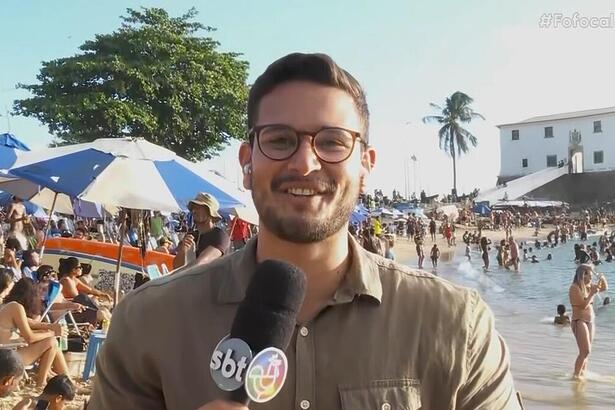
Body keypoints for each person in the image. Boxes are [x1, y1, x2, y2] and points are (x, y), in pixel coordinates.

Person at [90, 52, 520, 409]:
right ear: (246, 161)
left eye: (333, 142)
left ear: (366, 165)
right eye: (279, 140)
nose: (305, 163)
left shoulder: (456, 326)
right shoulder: (149, 323)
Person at [0, 278, 69, 387]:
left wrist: (50, 327)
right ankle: (43, 381)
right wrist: (52, 333)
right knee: (52, 342)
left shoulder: (6, 306)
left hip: (5, 354)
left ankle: (60, 378)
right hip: (8, 359)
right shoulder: (15, 307)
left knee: (49, 338)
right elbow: (30, 338)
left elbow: (30, 323)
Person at [172, 193, 230, 269]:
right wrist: (183, 251)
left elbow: (202, 262)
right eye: (193, 208)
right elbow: (176, 267)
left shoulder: (219, 235)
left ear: (210, 212)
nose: (194, 211)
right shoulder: (192, 235)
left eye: (199, 208)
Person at [569, 264, 607, 378]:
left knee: (586, 353)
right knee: (585, 351)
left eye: (591, 276)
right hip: (579, 320)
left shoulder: (588, 286)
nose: (591, 279)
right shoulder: (574, 288)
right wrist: (591, 294)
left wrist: (602, 278)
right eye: (589, 276)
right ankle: (575, 376)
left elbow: (604, 288)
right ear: (582, 275)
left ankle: (582, 374)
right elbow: (583, 305)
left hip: (590, 321)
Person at [58, 257, 111, 325]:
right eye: (80, 267)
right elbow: (78, 298)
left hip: (77, 309)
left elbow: (90, 290)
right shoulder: (66, 281)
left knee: (104, 310)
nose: (82, 269)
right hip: (69, 313)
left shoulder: (74, 279)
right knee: (101, 313)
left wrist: (104, 295)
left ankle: (114, 328)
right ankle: (113, 330)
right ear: (74, 270)